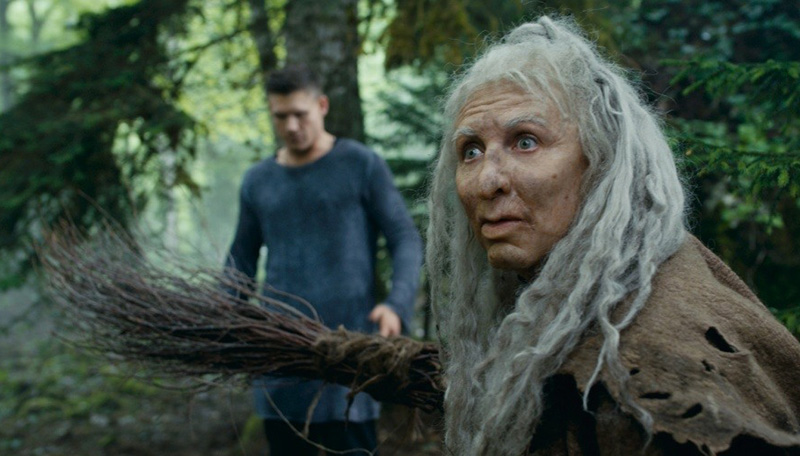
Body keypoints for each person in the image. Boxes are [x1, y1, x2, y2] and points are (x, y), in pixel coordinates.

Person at [426, 16, 800, 456]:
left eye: (525, 141)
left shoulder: (647, 370)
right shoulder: (614, 278)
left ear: (601, 161)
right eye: (471, 150)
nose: (487, 181)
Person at [225, 64, 423, 455]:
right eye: (281, 116)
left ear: (322, 105)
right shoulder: (257, 180)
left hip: (350, 353)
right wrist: (223, 315)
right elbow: (240, 258)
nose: (291, 126)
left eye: (300, 114)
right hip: (280, 357)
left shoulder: (361, 164)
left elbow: (404, 238)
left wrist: (396, 304)